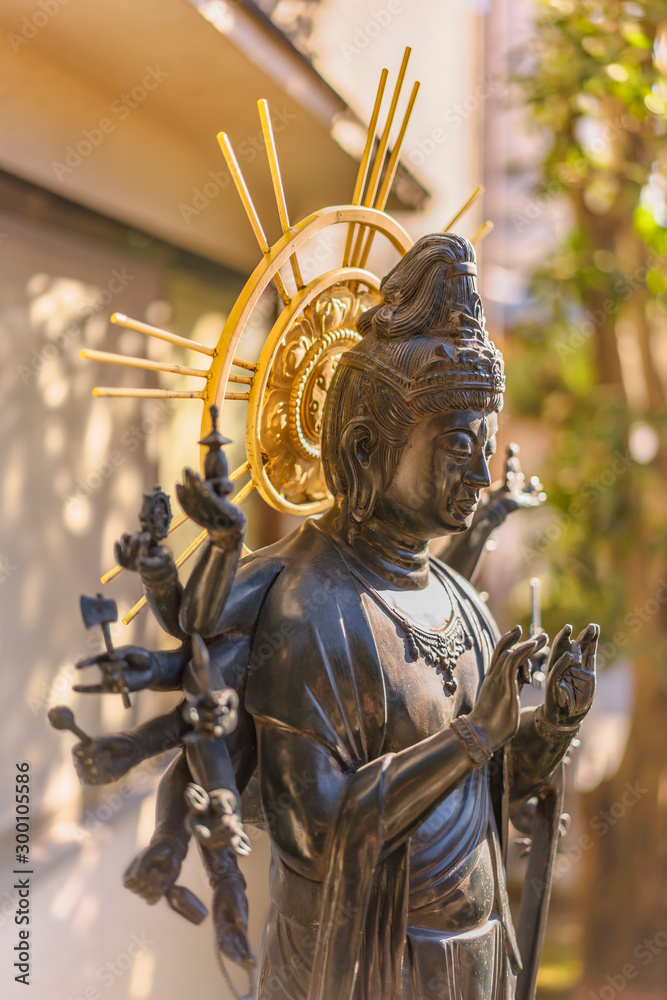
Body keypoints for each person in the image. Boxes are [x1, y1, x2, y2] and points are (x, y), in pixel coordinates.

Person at [74, 233, 597, 1000]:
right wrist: (470, 738)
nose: (481, 474)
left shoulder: (460, 603)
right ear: (361, 449)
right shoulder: (314, 610)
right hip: (367, 968)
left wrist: (548, 727)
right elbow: (319, 833)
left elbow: (492, 793)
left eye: (486, 445)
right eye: (458, 444)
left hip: (472, 964)